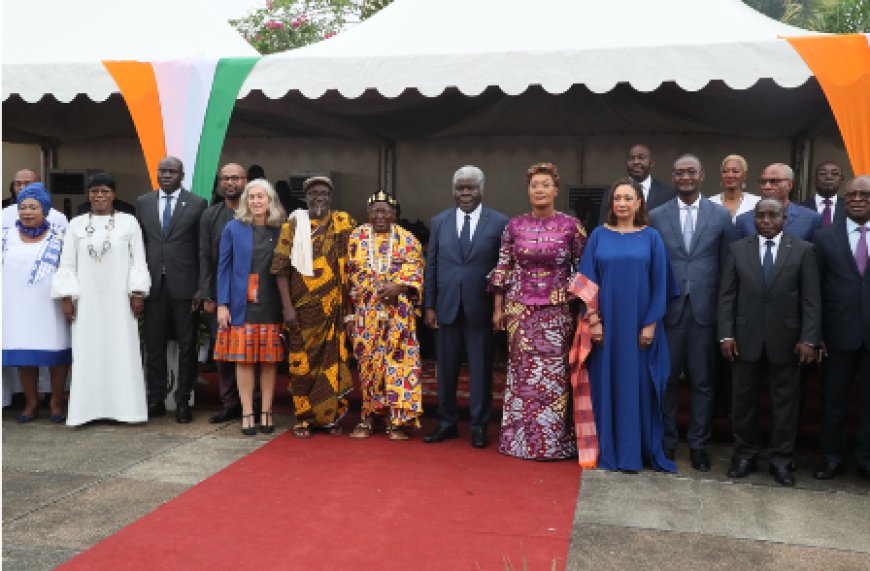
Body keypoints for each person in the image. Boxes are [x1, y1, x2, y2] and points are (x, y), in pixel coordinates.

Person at [573, 178, 676, 472]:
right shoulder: (598, 236)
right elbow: (585, 282)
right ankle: (608, 452)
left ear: (639, 203)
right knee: (606, 387)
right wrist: (593, 321)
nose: (621, 203)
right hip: (606, 329)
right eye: (617, 198)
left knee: (638, 388)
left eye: (627, 198)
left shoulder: (652, 238)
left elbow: (661, 285)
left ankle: (636, 452)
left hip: (639, 328)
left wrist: (651, 325)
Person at [719, 198, 821, 487]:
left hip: (788, 341)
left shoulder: (803, 250)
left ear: (784, 218)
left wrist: (809, 339)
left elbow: (811, 299)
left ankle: (782, 460)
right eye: (760, 215)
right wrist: (726, 334)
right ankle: (744, 455)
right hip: (744, 339)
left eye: (772, 215)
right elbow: (727, 296)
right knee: (743, 403)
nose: (765, 220)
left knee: (785, 405)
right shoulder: (738, 250)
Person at [490, 163, 586, 460]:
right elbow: (503, 267)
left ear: (556, 190)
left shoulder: (572, 226)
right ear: (528, 191)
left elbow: (584, 270)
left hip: (556, 314)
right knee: (522, 376)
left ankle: (553, 443)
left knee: (552, 377)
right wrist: (498, 308)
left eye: (545, 185)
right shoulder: (514, 225)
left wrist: (570, 294)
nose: (539, 190)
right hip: (519, 311)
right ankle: (519, 442)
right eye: (534, 186)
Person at [649, 155, 737, 471]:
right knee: (667, 380)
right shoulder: (657, 216)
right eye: (679, 172)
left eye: (691, 172)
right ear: (673, 177)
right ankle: (668, 441)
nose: (685, 177)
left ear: (701, 175)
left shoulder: (720, 216)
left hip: (705, 311)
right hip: (669, 311)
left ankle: (699, 444)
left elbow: (728, 265)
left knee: (703, 382)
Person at [52, 173, 151, 426]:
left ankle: (127, 410)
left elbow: (138, 261)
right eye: (94, 191)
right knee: (88, 351)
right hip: (86, 302)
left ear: (114, 195)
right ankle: (86, 411)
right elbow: (67, 264)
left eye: (105, 191)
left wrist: (137, 293)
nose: (99, 196)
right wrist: (66, 298)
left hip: (120, 301)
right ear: (88, 195)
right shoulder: (75, 225)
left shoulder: (129, 223)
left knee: (121, 350)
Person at [423, 166, 508, 449]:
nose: (465, 193)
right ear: (453, 190)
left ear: (481, 189)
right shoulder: (439, 221)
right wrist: (429, 305)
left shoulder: (498, 222)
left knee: (481, 370)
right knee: (445, 370)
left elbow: (502, 267)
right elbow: (432, 264)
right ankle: (446, 423)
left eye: (470, 187)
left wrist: (500, 306)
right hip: (446, 306)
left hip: (480, 307)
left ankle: (479, 425)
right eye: (460, 187)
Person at [271, 176, 357, 438]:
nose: (319, 198)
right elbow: (280, 271)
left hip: (334, 310)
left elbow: (357, 262)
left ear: (331, 198)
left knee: (331, 365)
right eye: (313, 194)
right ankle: (303, 419)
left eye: (324, 194)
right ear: (305, 197)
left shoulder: (343, 223)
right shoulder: (293, 226)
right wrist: (287, 309)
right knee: (301, 366)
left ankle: (328, 419)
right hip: (301, 310)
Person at [346, 191, 424, 441]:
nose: (380, 215)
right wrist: (350, 315)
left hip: (398, 316)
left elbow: (417, 271)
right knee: (368, 366)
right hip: (366, 314)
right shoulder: (357, 237)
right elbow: (347, 274)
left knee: (398, 365)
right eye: (375, 211)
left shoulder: (408, 239)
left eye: (385, 211)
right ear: (368, 214)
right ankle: (368, 416)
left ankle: (397, 420)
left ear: (395, 214)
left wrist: (399, 287)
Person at [136, 156, 207, 423]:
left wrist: (201, 286)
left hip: (185, 286)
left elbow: (202, 248)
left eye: (171, 171)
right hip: (153, 285)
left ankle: (182, 401)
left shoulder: (198, 203)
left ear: (181, 174)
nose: (165, 175)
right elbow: (139, 244)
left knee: (187, 345)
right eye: (161, 170)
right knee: (153, 345)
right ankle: (155, 399)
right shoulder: (143, 203)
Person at [214, 179, 286, 436]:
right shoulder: (233, 228)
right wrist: (222, 304)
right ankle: (247, 413)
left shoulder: (281, 230)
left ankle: (266, 412)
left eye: (261, 197)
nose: (256, 201)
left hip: (271, 303)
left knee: (268, 362)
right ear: (246, 201)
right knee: (243, 361)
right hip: (241, 305)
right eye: (252, 197)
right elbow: (222, 269)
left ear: (270, 201)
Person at [811, 175, 870, 481]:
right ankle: (832, 458)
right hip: (837, 335)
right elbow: (814, 290)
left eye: (865, 194)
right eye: (852, 195)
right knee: (833, 402)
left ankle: (865, 460)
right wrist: (816, 334)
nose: (858, 199)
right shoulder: (825, 237)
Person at [2, 183, 71, 422]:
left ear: (45, 210)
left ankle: (55, 402)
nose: (27, 212)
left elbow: (68, 270)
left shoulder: (59, 236)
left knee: (56, 354)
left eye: (33, 207)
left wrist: (67, 299)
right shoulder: (6, 235)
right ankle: (31, 404)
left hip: (50, 306)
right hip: (17, 305)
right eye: (23, 207)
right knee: (24, 354)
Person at [200, 163, 247, 423]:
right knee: (224, 352)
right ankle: (229, 402)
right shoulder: (210, 215)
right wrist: (208, 295)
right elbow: (205, 256)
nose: (230, 183)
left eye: (235, 178)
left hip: (251, 295)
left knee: (251, 351)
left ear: (245, 181)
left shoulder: (257, 212)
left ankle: (253, 403)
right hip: (220, 295)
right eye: (225, 178)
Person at [735, 163, 821, 241]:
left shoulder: (811, 219)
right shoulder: (744, 220)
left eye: (774, 181)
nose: (767, 186)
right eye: (763, 182)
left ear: (789, 185)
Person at [598, 143, 676, 225]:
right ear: (626, 163)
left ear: (651, 162)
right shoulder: (611, 191)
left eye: (641, 158)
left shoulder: (668, 193)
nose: (636, 162)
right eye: (631, 158)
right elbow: (604, 224)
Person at [2, 168, 68, 229]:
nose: (22, 188)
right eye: (18, 184)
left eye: (27, 184)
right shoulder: (4, 214)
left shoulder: (58, 217)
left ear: (39, 185)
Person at [709, 154, 761, 221]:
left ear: (744, 175)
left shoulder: (756, 203)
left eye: (735, 171)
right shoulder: (710, 203)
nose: (730, 175)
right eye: (725, 171)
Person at [800, 161, 847, 226]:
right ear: (814, 179)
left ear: (841, 180)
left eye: (835, 174)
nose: (829, 177)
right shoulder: (801, 209)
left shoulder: (849, 208)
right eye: (822, 173)